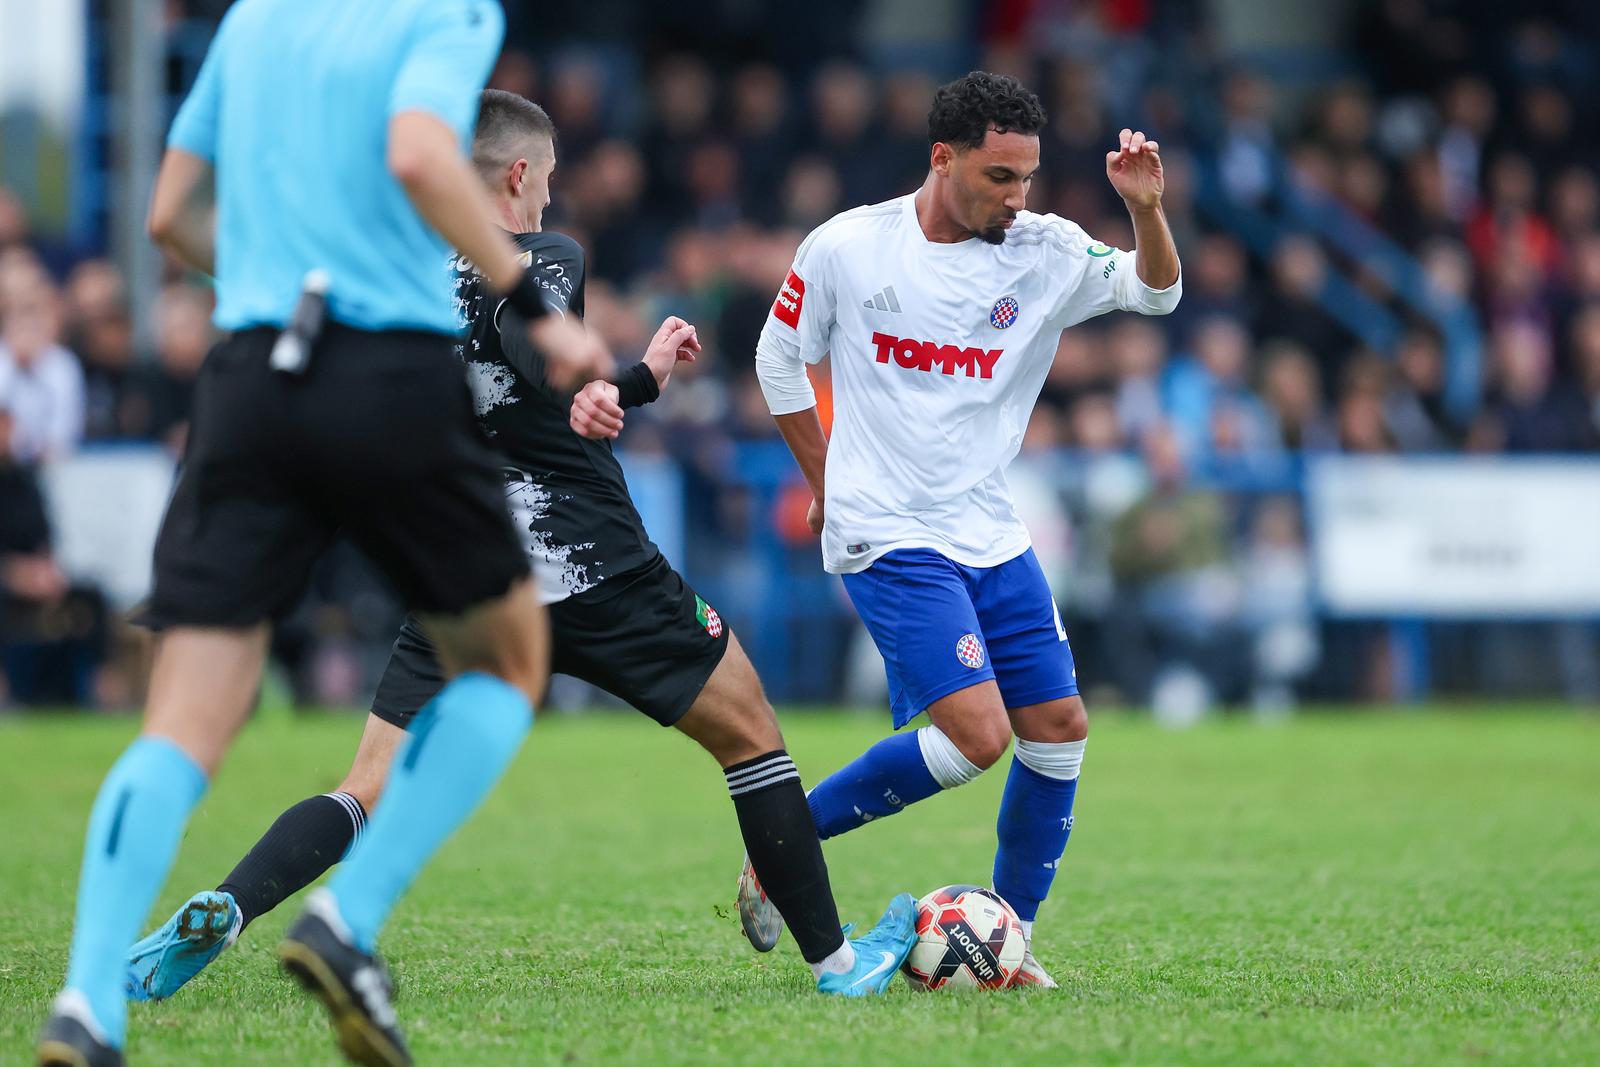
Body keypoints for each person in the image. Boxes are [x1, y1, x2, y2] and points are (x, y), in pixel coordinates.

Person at [121, 89, 915, 1017]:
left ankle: (231, 903)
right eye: (545, 183)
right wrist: (579, 381)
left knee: (364, 787)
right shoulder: (547, 255)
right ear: (517, 175)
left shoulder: (400, 280)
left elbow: (512, 383)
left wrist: (631, 381)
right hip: (591, 563)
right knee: (751, 733)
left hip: (465, 570)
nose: (546, 202)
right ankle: (835, 962)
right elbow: (525, 338)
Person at [35, 4, 609, 1066]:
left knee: (182, 722)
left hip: (252, 373)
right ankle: (346, 923)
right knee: (510, 661)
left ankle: (85, 1003)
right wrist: (535, 303)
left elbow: (169, 213)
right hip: (385, 370)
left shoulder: (256, 17)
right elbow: (417, 153)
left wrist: (265, 290)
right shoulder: (447, 11)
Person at [745, 71, 1182, 987]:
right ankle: (785, 846)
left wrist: (1144, 210)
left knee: (1058, 728)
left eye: (1028, 177)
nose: (1017, 198)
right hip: (887, 526)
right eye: (998, 177)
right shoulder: (849, 248)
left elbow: (1155, 296)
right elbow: (778, 357)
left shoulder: (1044, 251)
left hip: (986, 525)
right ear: (942, 160)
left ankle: (1003, 939)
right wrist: (824, 479)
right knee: (980, 735)